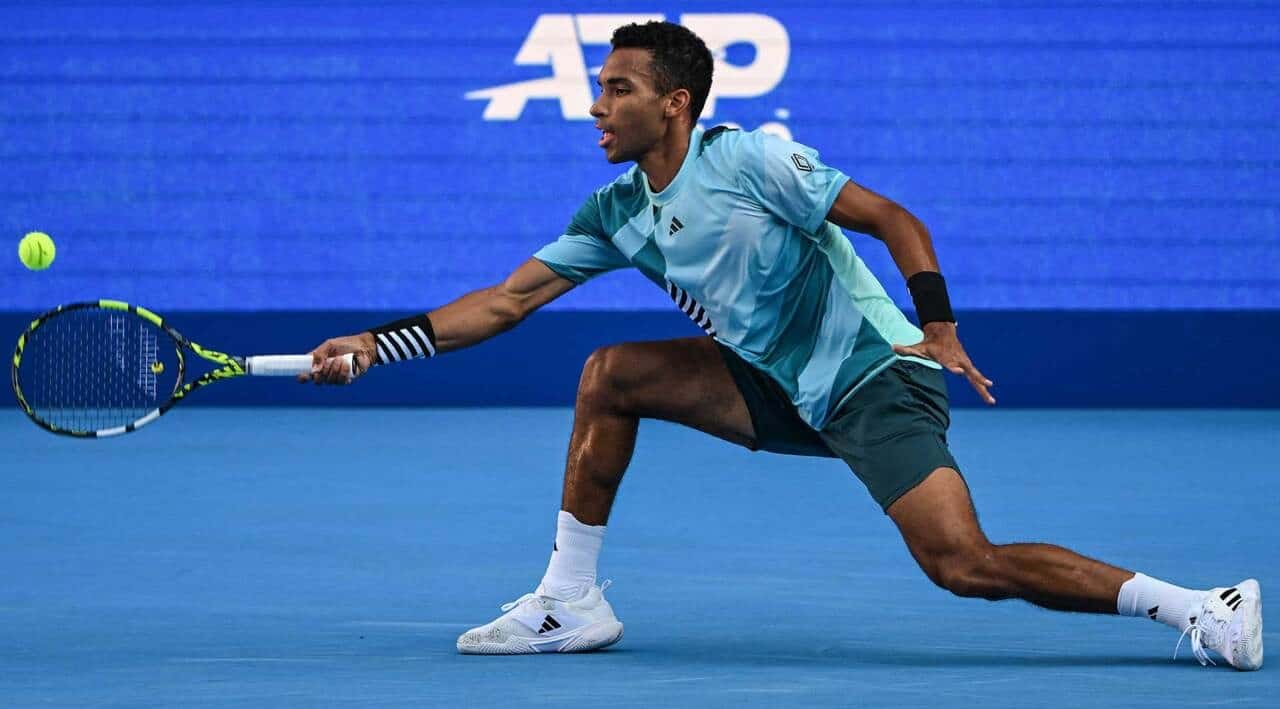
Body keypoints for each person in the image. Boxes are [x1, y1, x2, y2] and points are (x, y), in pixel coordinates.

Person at [303, 21, 1262, 668]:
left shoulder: (751, 160)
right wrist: (379, 345)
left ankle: (1198, 607)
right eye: (598, 87)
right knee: (612, 374)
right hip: (777, 384)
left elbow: (894, 220)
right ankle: (569, 600)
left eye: (617, 89)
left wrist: (936, 325)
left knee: (963, 565)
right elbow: (506, 303)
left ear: (674, 103)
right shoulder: (617, 210)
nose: (596, 105)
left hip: (872, 378)